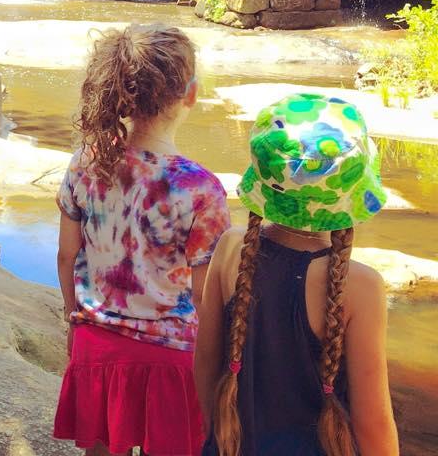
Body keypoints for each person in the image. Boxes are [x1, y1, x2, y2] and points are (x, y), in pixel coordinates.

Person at [54, 25, 231, 456]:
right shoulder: (201, 189)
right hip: (171, 357)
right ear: (190, 95)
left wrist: (73, 317)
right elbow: (206, 297)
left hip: (97, 344)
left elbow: (66, 255)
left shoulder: (85, 163)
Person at [194, 93, 399, 456]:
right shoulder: (361, 287)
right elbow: (374, 424)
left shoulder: (230, 249)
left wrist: (218, 436)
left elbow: (205, 364)